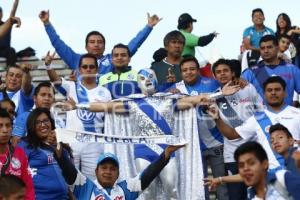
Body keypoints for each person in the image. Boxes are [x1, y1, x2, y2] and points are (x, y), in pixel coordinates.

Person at [207, 76, 300, 170]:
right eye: (269, 90)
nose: (273, 93)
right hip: (270, 174)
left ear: (285, 93)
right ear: (264, 94)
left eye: (277, 89)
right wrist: (217, 118)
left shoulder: (297, 114)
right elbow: (233, 135)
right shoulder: (257, 118)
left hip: (296, 169)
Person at [173, 56, 231, 200]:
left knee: (222, 186)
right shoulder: (175, 89)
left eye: (192, 69)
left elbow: (226, 106)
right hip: (192, 147)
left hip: (216, 143)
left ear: (198, 70)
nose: (189, 72)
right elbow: (165, 105)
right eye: (185, 70)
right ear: (181, 73)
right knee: (198, 187)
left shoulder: (212, 83)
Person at [47, 53, 111, 180]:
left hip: (94, 143)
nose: (88, 69)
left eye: (91, 67)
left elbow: (109, 120)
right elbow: (55, 80)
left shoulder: (105, 92)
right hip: (72, 142)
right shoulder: (71, 86)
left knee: (92, 182)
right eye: (85, 66)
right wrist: (48, 65)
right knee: (70, 181)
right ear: (80, 69)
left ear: (97, 69)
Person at [39, 10, 161, 75]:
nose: (96, 44)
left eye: (100, 42)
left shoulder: (113, 59)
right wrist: (47, 24)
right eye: (92, 42)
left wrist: (148, 27)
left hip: (108, 105)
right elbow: (58, 44)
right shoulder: (76, 59)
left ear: (104, 46)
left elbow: (133, 45)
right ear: (86, 46)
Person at [54, 141, 184, 200]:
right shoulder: (85, 186)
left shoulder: (126, 189)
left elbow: (148, 175)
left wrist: (165, 154)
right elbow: (69, 170)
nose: (108, 171)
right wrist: (60, 156)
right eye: (104, 168)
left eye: (112, 168)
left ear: (118, 174)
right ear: (96, 171)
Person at [211, 58, 264, 200]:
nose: (222, 74)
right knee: (236, 196)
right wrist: (221, 94)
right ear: (214, 76)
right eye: (218, 72)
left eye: (225, 71)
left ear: (232, 72)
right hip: (232, 155)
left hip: (255, 149)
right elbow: (201, 105)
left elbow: (262, 113)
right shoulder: (213, 97)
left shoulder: (247, 88)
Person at [18, 108, 71, 200]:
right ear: (31, 126)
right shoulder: (25, 145)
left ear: (51, 123)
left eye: (46, 121)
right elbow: (16, 174)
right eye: (37, 122)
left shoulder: (60, 145)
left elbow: (70, 175)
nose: (43, 125)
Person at [242, 34, 300, 105]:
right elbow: (240, 97)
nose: (266, 51)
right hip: (260, 115)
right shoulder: (250, 72)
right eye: (262, 48)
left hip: (286, 115)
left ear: (277, 48)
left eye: (269, 47)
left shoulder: (292, 69)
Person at [234, 141, 300, 199]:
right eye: (241, 166)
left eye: (251, 163)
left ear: (265, 164)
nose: (245, 168)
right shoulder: (250, 196)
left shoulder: (282, 178)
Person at [0, 108, 34, 200]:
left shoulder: (19, 153)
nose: (5, 130)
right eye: (0, 126)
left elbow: (28, 188)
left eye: (8, 125)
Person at [0, 0, 20, 67]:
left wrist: (16, 2)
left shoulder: (7, 24)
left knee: (12, 50)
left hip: (5, 50)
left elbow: (13, 13)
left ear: (1, 14)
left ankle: (10, 69)